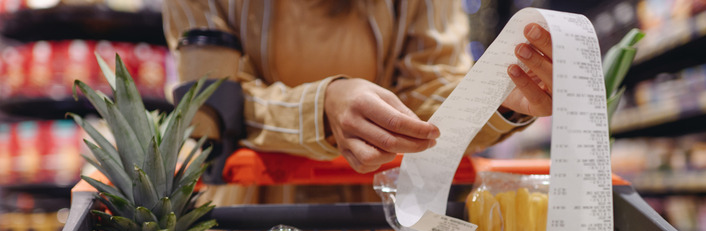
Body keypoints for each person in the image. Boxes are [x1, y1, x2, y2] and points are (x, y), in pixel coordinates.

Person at [162, 0, 552, 176]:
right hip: (248, 215)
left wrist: (500, 99)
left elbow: (430, 90)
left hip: (380, 219)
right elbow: (209, 105)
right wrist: (321, 108)